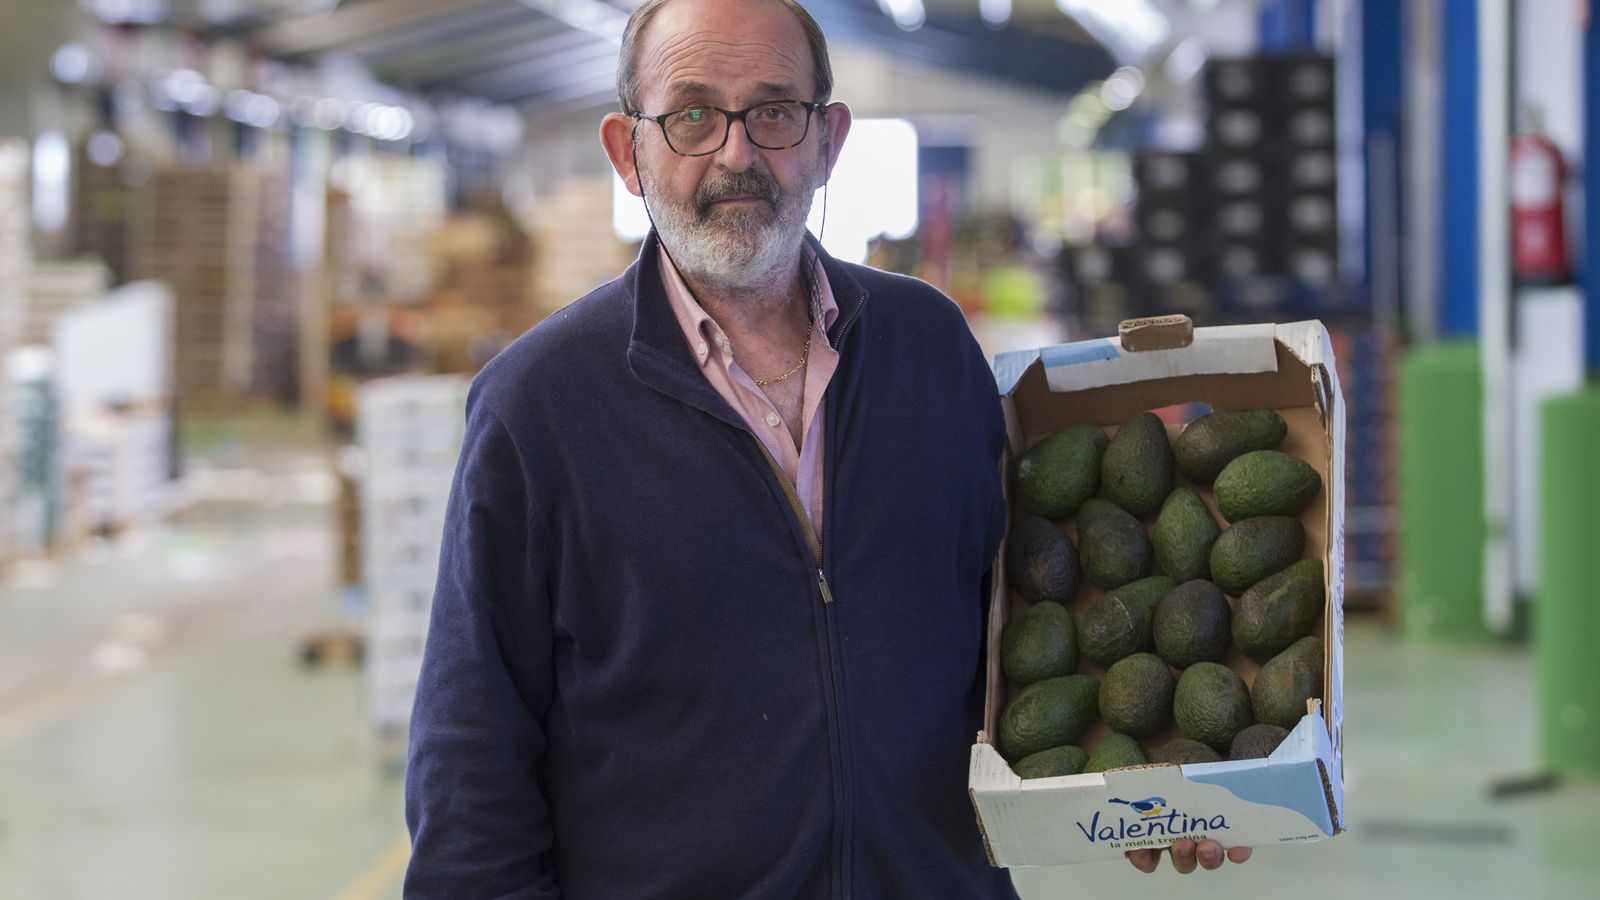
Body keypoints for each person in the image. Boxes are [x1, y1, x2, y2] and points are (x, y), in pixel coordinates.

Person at [403, 0, 1247, 895]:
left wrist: (1158, 778)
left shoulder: (930, 346)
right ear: (628, 153)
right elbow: (471, 769)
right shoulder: (540, 406)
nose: (737, 154)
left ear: (828, 138)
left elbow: (1043, 608)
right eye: (692, 114)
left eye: (774, 110)